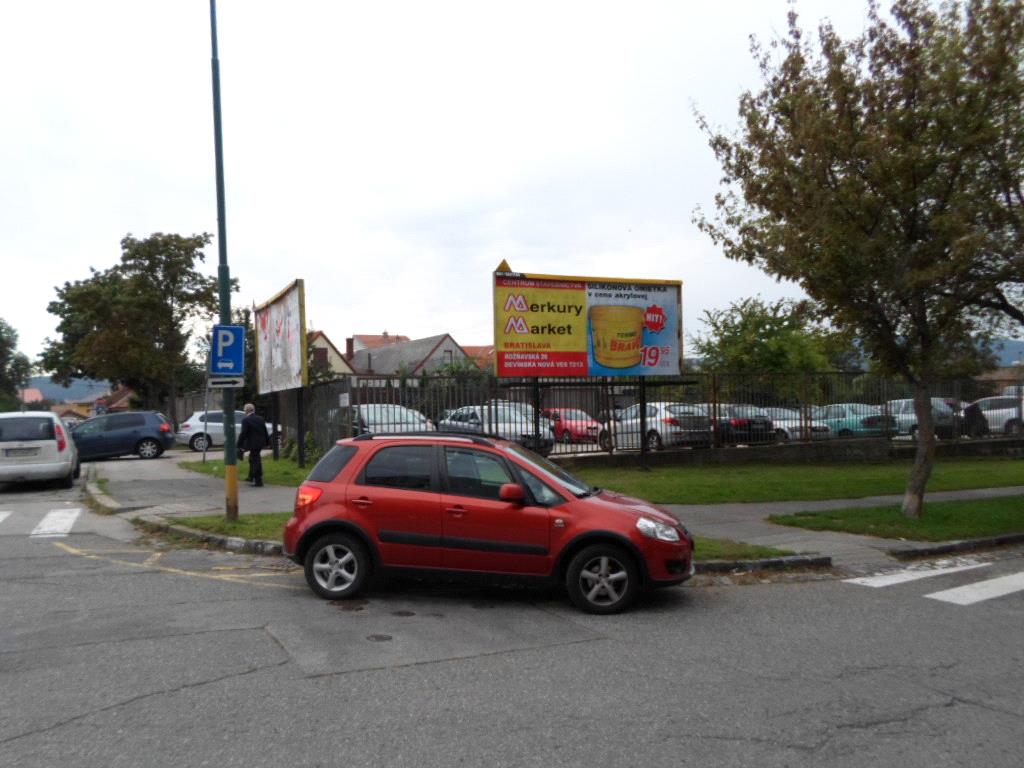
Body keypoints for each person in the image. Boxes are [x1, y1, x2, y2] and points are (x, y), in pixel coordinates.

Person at [237, 403, 268, 487]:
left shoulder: (246, 420)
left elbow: (243, 433)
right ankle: (250, 476)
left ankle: (258, 481)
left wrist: (238, 444)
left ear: (246, 411)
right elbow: (265, 430)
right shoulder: (260, 418)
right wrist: (267, 442)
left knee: (255, 460)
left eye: (244, 410)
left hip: (253, 443)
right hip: (260, 443)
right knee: (252, 458)